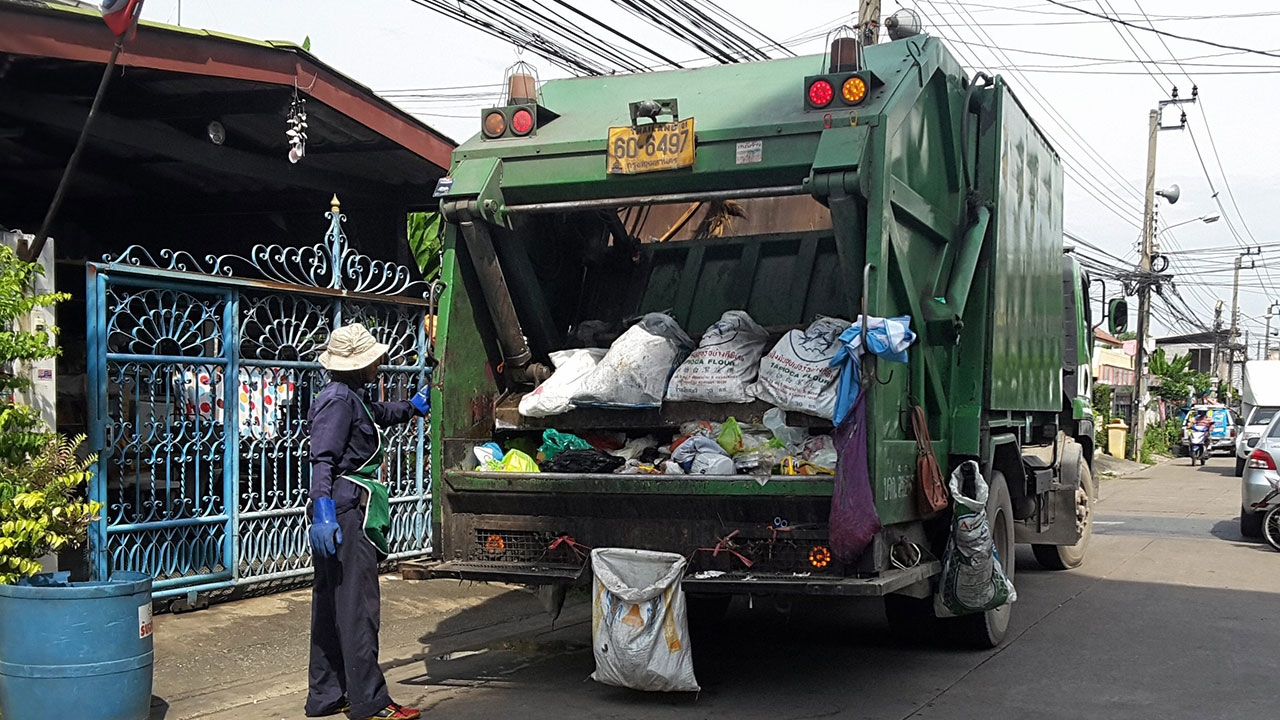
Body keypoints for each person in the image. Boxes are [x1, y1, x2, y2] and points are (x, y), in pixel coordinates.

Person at [305, 323, 430, 720]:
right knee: (359, 608)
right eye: (373, 359)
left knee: (331, 607)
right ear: (356, 366)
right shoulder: (339, 401)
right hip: (343, 514)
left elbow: (378, 414)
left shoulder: (351, 398)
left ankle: (327, 695)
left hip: (340, 512)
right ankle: (370, 702)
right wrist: (322, 510)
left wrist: (412, 406)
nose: (379, 362)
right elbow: (322, 458)